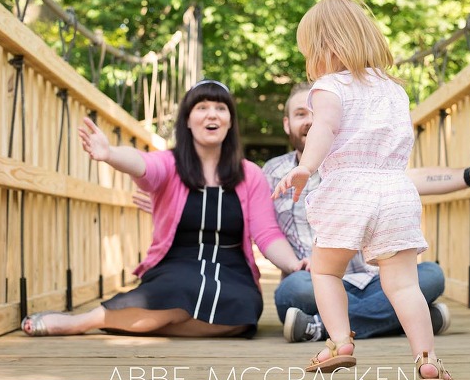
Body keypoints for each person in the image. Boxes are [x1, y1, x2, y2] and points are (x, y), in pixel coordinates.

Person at [21, 80, 307, 338]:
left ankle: (150, 322)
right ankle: (82, 322)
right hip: (177, 265)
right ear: (188, 120)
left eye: (220, 108)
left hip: (231, 270)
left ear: (230, 121)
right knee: (180, 288)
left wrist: (294, 265)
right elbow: (142, 164)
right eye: (202, 107)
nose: (212, 114)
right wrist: (110, 155)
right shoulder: (170, 165)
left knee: (245, 310)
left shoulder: (249, 174)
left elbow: (267, 233)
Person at [273, 0, 459, 380]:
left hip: (347, 189)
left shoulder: (328, 87)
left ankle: (340, 341)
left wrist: (306, 167)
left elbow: (325, 129)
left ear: (325, 48)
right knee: (405, 283)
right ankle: (427, 360)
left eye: (310, 51)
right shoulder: (394, 90)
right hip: (394, 189)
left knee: (325, 270)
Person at [264, 83, 470, 345]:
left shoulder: (364, 162)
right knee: (292, 289)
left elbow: (415, 178)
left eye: (319, 112)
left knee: (431, 276)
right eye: (302, 114)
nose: (313, 120)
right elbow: (265, 229)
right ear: (286, 123)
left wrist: (469, 176)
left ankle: (320, 327)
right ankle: (410, 319)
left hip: (377, 280)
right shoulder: (273, 172)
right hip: (315, 280)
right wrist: (293, 263)